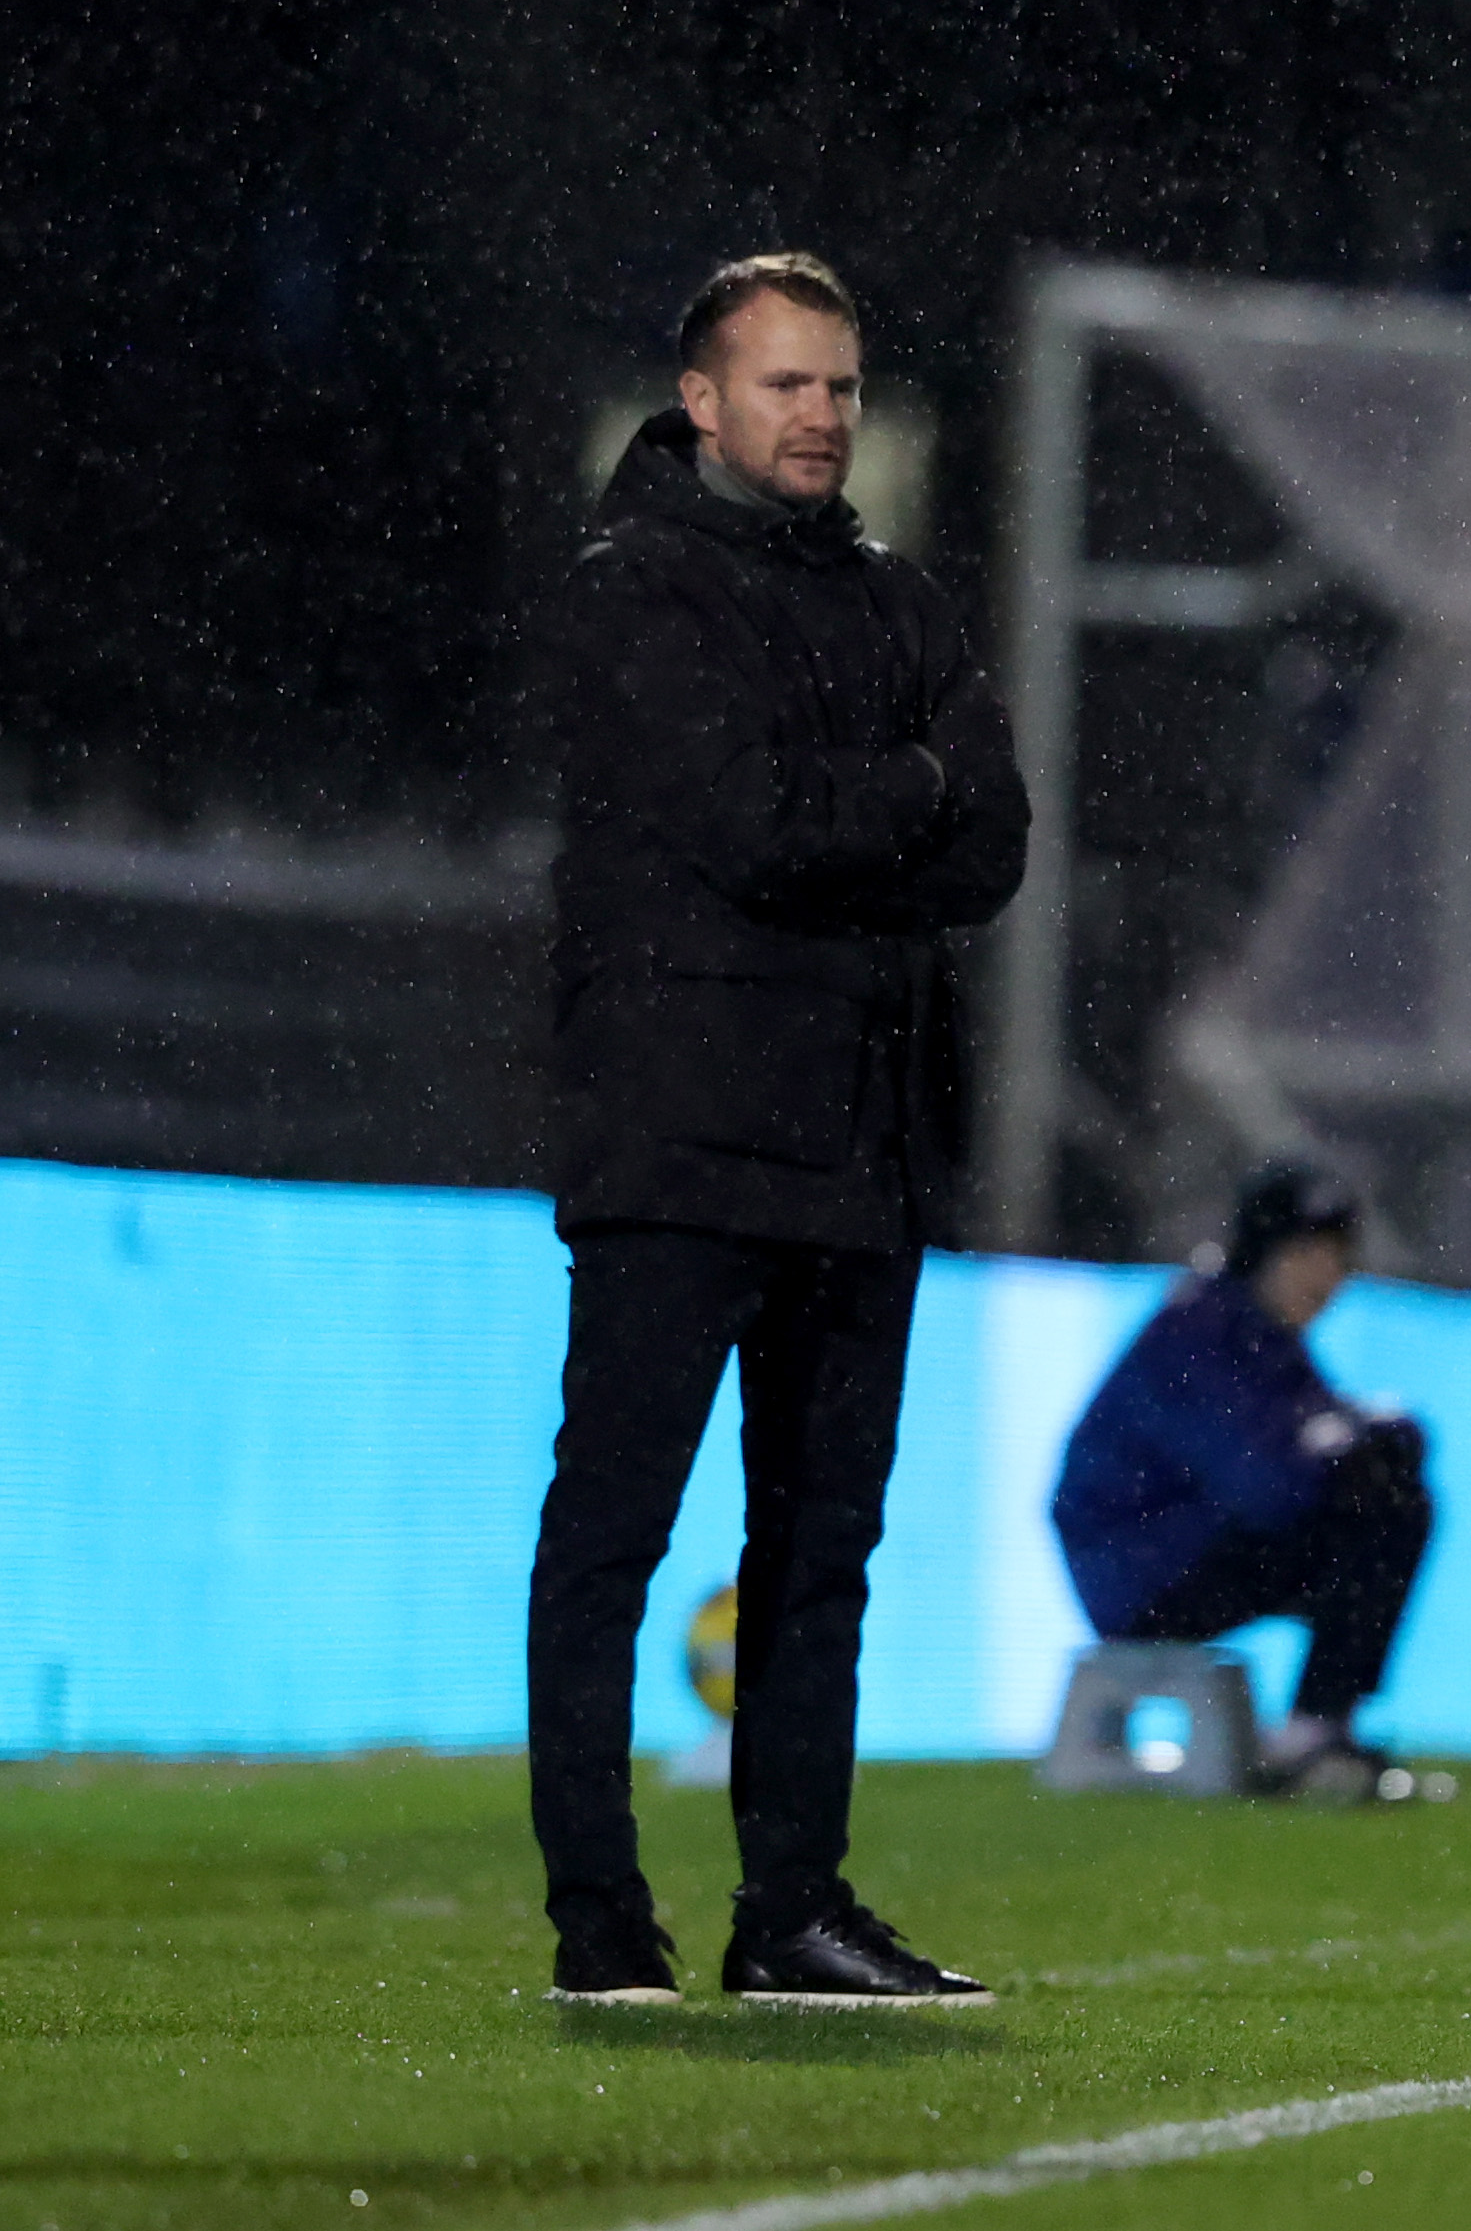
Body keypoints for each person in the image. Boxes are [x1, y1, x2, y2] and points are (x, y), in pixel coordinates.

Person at [529, 252, 1027, 2007]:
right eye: (785, 384)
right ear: (699, 401)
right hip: (677, 1141)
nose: (821, 416)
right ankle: (602, 1919)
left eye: (840, 387)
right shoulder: (633, 590)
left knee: (821, 1555)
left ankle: (791, 1911)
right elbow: (755, 824)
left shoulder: (896, 597)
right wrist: (908, 787)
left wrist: (868, 811)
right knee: (614, 1534)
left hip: (859, 1144)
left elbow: (994, 844)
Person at [1051, 1162, 1436, 1800]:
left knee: (1387, 1495)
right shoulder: (1197, 1329)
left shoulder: (1263, 1337)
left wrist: (1367, 1444)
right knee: (1381, 1503)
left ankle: (1322, 1726)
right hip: (1134, 1574)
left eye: (1337, 1258)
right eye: (1307, 1254)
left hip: (1175, 1552)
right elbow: (1266, 1487)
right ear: (1261, 1253)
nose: (1326, 1277)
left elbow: (1306, 1459)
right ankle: (1313, 1731)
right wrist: (1359, 1443)